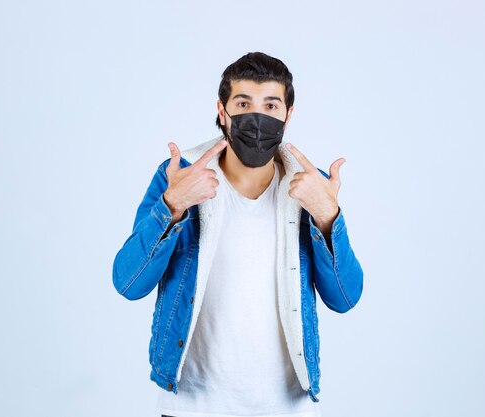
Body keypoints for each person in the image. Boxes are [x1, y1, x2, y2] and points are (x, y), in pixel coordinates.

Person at [112, 52, 364, 417]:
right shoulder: (180, 177)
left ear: (288, 115)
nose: (257, 117)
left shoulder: (310, 188)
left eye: (271, 105)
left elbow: (345, 297)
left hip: (286, 408)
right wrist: (172, 205)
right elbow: (128, 282)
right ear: (222, 110)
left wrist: (327, 216)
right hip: (191, 407)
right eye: (243, 103)